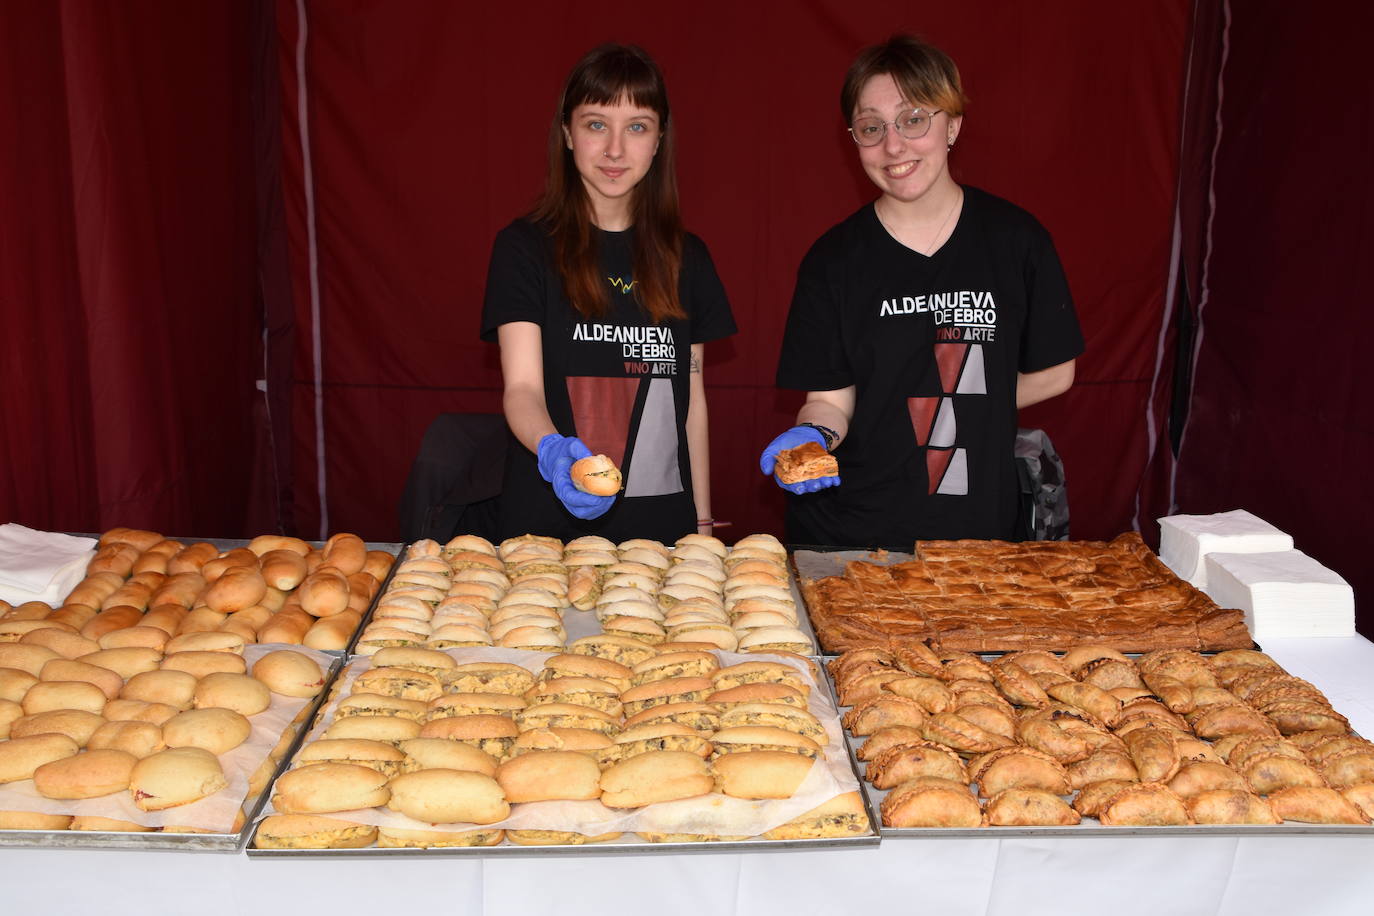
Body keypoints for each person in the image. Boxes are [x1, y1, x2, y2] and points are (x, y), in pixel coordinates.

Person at [760, 34, 1084, 550]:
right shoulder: (832, 261)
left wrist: (953, 405)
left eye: (914, 120)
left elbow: (1056, 372)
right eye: (872, 128)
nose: (894, 146)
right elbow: (828, 400)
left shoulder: (1016, 241)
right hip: (852, 541)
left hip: (977, 538)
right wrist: (814, 437)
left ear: (952, 124)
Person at [481, 43, 736, 543]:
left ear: (660, 139)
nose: (615, 150)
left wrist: (702, 523)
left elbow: (693, 403)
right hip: (547, 533)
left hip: (662, 537)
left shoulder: (690, 257)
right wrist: (553, 449)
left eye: (637, 127)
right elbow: (523, 391)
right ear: (567, 134)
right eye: (597, 124)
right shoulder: (524, 248)